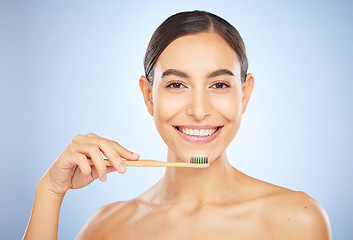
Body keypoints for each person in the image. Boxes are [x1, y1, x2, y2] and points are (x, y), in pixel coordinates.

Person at [23, 10, 331, 239]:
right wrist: (50, 191)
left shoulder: (296, 219)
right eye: (176, 85)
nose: (198, 110)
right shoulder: (107, 227)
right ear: (148, 96)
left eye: (220, 85)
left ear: (245, 94)